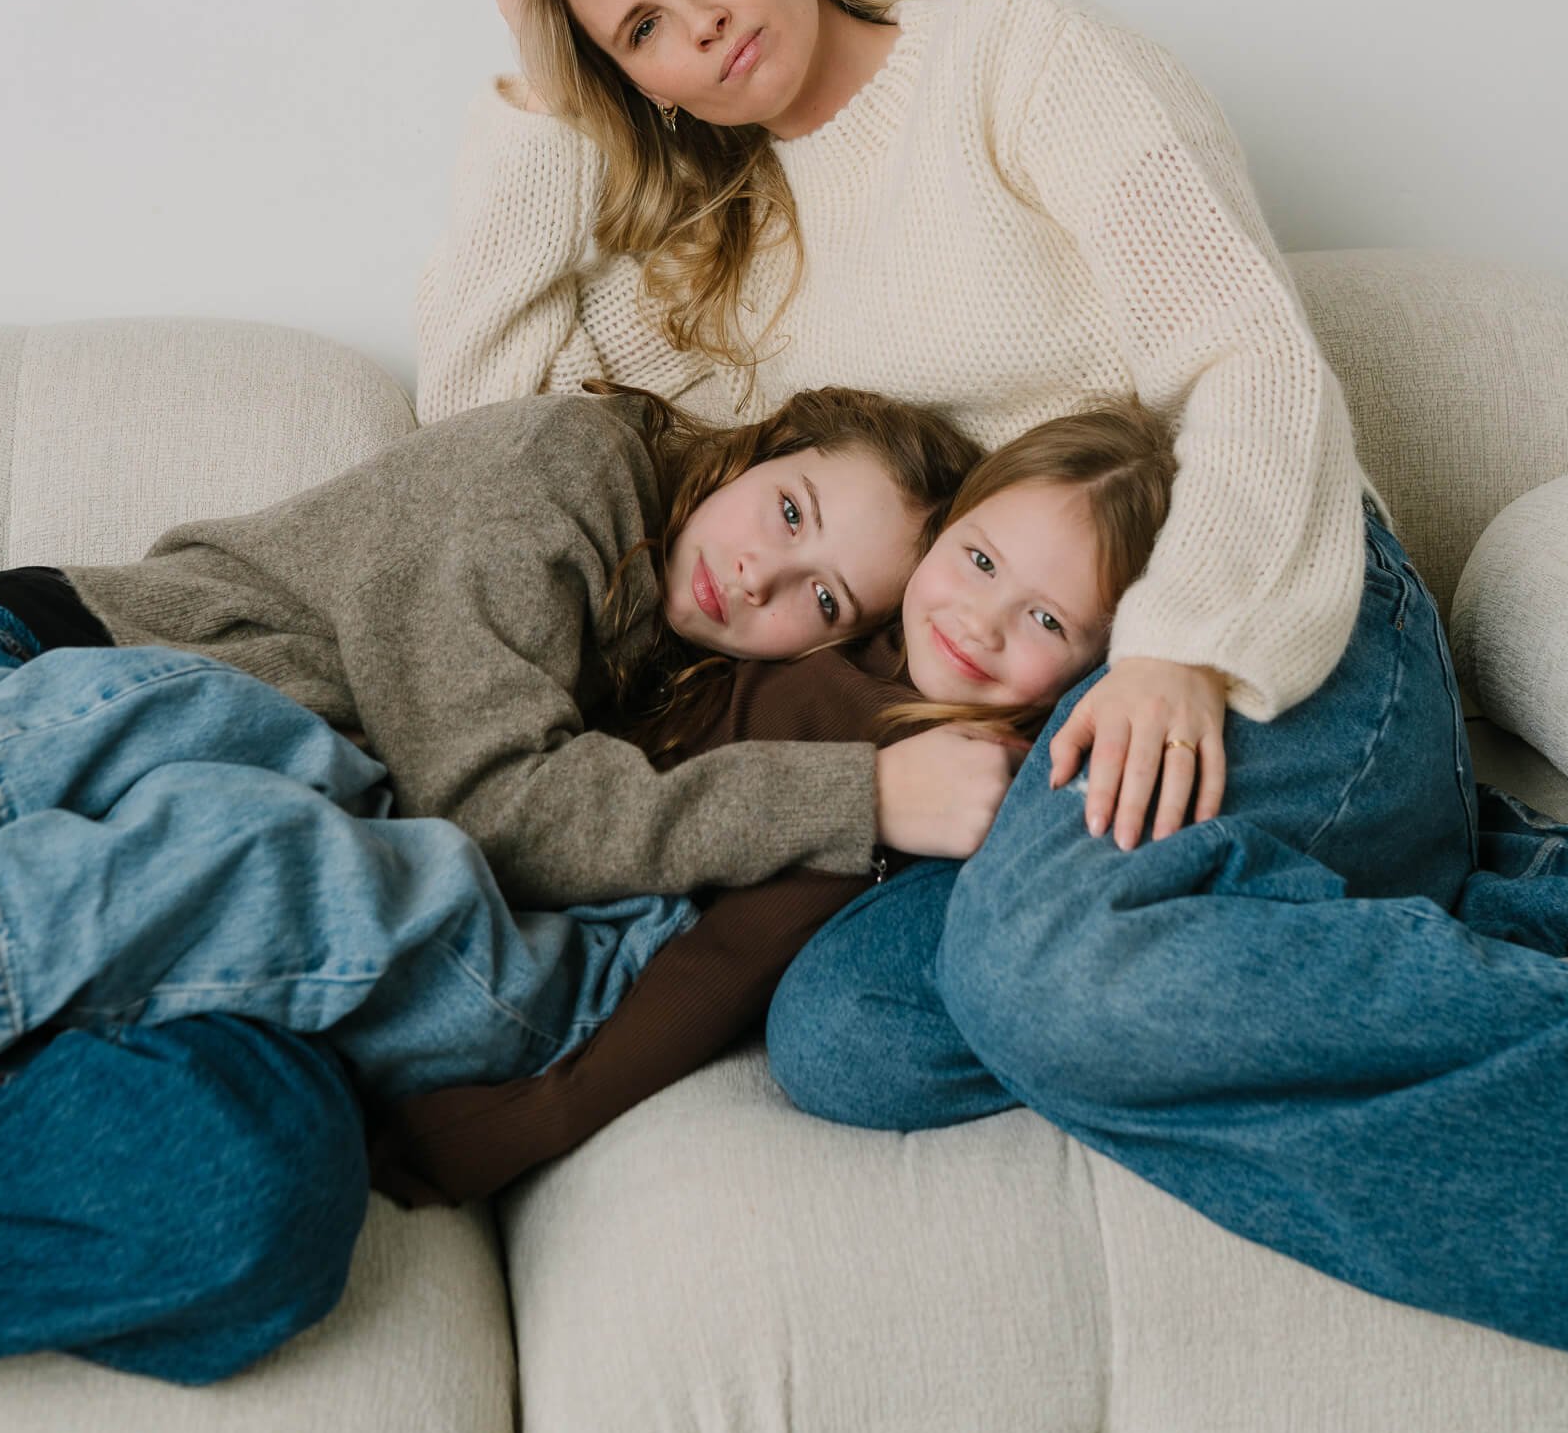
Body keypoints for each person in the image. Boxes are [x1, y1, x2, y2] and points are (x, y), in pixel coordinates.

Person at [414, 0, 1568, 1350]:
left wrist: (1184, 652)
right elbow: (489, 434)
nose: (693, 20)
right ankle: (1458, 904)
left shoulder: (1012, 54)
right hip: (1043, 708)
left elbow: (1248, 353)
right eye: (636, 30)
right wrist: (544, 100)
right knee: (849, 1039)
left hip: (1275, 613)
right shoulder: (712, 267)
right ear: (644, 88)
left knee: (1049, 969)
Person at [0, 378, 996, 1381]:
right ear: (763, 445)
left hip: (198, 896)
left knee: (264, 1190)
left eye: (822, 596)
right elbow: (490, 804)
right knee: (292, 851)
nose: (761, 573)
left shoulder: (673, 674)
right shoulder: (567, 462)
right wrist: (851, 797)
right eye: (788, 510)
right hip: (55, 702)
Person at [373, 399, 1176, 1201]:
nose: (980, 622)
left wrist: (536, 1119)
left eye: (1045, 619)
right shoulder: (583, 477)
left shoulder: (931, 753)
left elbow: (729, 960)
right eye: (979, 561)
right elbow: (499, 806)